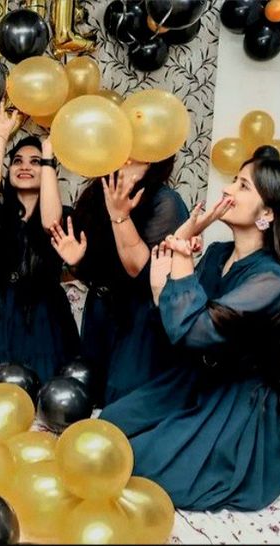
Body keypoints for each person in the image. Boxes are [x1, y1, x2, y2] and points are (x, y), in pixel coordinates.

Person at [100, 148, 280, 511]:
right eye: (233, 180)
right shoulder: (219, 253)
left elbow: (198, 331)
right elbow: (178, 327)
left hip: (235, 403)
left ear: (267, 214)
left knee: (140, 468)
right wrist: (165, 282)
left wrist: (181, 261)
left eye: (243, 186)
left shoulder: (273, 279)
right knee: (107, 428)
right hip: (195, 380)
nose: (229, 191)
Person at [49, 157, 188, 405]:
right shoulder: (96, 195)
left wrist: (120, 216)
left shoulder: (165, 202)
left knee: (123, 403)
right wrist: (76, 262)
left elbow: (140, 272)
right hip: (99, 313)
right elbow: (93, 271)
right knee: (91, 399)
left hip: (139, 319)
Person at [0, 102, 79, 389]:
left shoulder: (64, 214)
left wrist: (49, 156)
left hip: (45, 314)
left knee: (45, 392)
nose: (25, 167)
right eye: (17, 161)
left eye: (35, 162)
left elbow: (50, 223)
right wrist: (2, 136)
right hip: (0, 311)